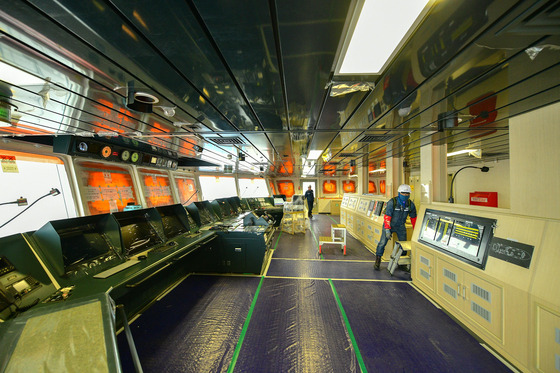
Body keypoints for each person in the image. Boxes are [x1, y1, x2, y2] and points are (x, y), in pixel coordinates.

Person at [374, 184, 417, 270]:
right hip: (389, 225)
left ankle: (402, 263)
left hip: (401, 226)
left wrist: (416, 230)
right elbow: (387, 216)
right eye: (403, 193)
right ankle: (378, 260)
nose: (405, 195)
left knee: (403, 244)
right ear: (399, 193)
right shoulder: (392, 202)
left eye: (407, 193)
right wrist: (387, 229)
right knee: (382, 243)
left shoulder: (410, 204)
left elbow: (414, 218)